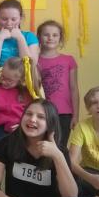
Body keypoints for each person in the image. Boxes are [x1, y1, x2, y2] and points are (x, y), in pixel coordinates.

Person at [36, 20, 79, 150]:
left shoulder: (68, 60)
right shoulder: (34, 60)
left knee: (60, 147)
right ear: (39, 37)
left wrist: (75, 115)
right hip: (41, 111)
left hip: (64, 113)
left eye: (55, 35)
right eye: (46, 34)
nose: (50, 38)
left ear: (60, 38)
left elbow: (74, 89)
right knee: (41, 146)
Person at [0, 0, 40, 70]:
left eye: (13, 19)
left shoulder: (30, 37)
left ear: (20, 19)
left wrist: (20, 38)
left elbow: (30, 67)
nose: (9, 23)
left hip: (21, 77)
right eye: (4, 19)